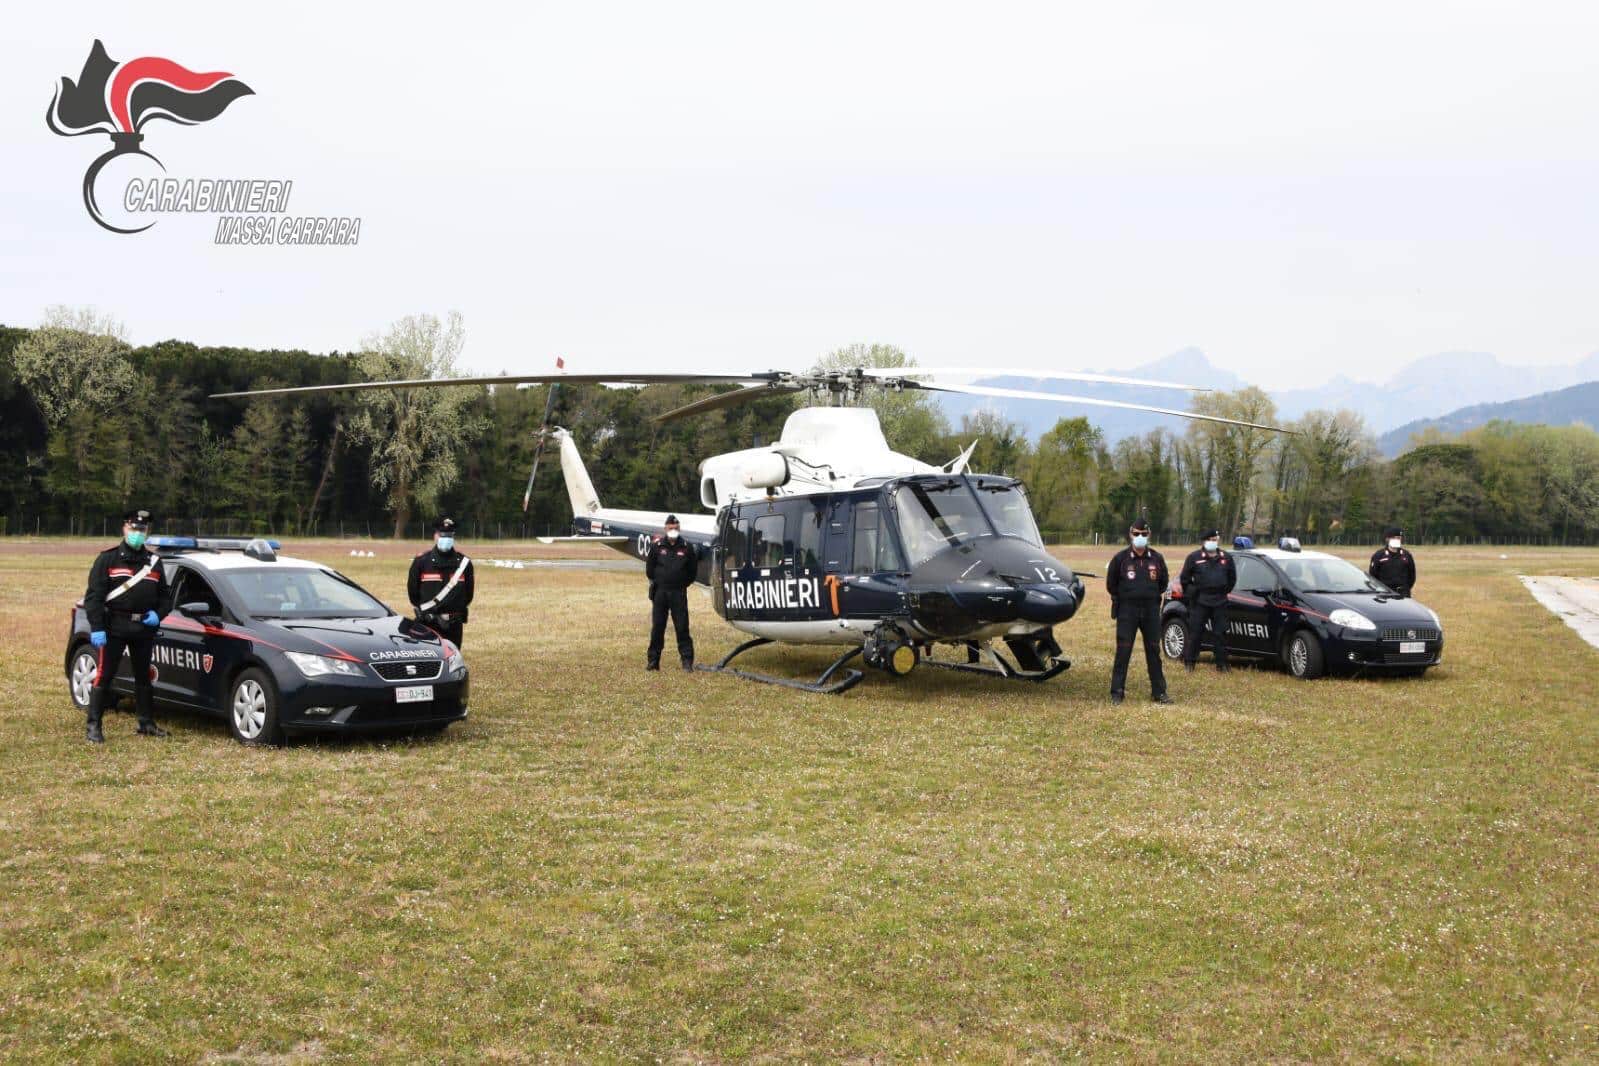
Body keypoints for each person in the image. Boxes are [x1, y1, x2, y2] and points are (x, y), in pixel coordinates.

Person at [82, 508, 170, 743]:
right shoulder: (107, 559)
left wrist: (158, 614)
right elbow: (94, 598)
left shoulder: (154, 562)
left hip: (143, 627)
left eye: (142, 530)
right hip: (114, 627)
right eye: (134, 529)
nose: (138, 533)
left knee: (143, 676)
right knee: (105, 676)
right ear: (124, 528)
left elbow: (165, 597)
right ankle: (94, 726)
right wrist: (97, 627)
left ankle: (146, 723)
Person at [1105, 519, 1171, 704]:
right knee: (1123, 652)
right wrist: (1127, 597)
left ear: (1149, 535)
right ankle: (1117, 693)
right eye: (1136, 534)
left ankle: (1159, 692)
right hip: (1127, 611)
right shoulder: (1120, 559)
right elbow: (1111, 585)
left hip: (1151, 610)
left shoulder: (1157, 558)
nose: (1140, 537)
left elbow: (1163, 582)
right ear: (1130, 534)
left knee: (1153, 650)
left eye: (1143, 534)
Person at [408, 516, 475, 648]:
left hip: (454, 624)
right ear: (435, 536)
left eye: (448, 536)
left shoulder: (464, 563)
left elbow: (468, 595)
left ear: (453, 538)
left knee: (452, 659)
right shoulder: (421, 562)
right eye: (442, 535)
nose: (445, 539)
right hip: (428, 623)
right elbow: (413, 594)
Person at [1178, 528, 1237, 672]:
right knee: (1196, 633)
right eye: (1210, 540)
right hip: (1200, 601)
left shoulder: (1226, 557)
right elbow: (1184, 580)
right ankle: (1190, 663)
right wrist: (1194, 594)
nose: (1213, 542)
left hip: (1220, 600)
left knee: (1220, 633)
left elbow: (1232, 579)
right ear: (1204, 541)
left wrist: (1223, 591)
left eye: (1215, 539)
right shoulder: (1194, 557)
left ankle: (1222, 664)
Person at [645, 514, 698, 671]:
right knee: (657, 628)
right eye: (670, 528)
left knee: (682, 627)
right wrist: (660, 582)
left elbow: (692, 572)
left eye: (675, 528)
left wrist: (681, 584)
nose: (673, 530)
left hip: (678, 593)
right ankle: (653, 661)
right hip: (660, 593)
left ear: (679, 528)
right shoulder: (657, 546)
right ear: (665, 529)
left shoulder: (687, 547)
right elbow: (650, 570)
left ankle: (687, 661)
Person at [1369, 525, 1417, 597]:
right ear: (1387, 539)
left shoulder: (1407, 555)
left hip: (1404, 594)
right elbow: (1373, 575)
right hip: (1385, 594)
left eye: (1399, 538)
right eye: (1395, 538)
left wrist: (1405, 589)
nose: (1398, 540)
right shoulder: (1378, 555)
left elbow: (1412, 576)